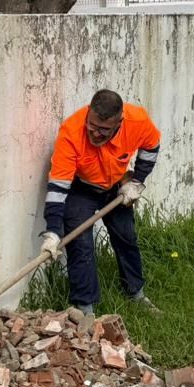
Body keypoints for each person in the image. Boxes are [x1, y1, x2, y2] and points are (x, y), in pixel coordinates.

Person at [39, 88, 162, 314]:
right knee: (81, 244)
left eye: (104, 130)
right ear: (88, 114)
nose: (95, 134)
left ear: (119, 123)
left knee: (126, 236)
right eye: (92, 126)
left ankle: (136, 293)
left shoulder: (137, 121)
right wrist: (53, 232)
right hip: (81, 188)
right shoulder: (71, 132)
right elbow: (58, 187)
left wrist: (136, 182)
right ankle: (85, 308)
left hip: (116, 186)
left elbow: (151, 146)